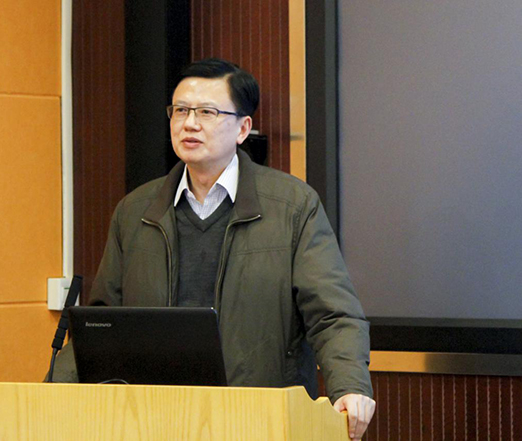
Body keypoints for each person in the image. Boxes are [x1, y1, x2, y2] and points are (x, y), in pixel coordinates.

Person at [54, 58, 375, 440]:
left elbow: (332, 314)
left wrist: (349, 385)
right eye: (180, 110)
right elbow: (101, 323)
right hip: (157, 420)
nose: (189, 123)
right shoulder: (135, 210)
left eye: (207, 112)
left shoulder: (292, 206)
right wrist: (52, 393)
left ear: (243, 128)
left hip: (260, 420)